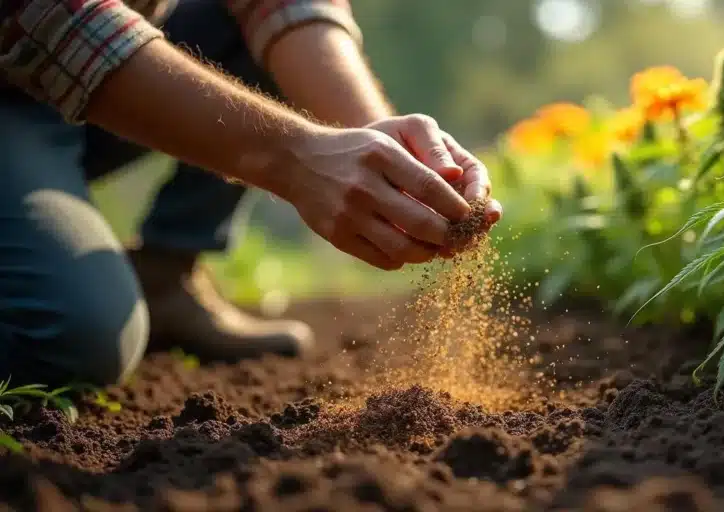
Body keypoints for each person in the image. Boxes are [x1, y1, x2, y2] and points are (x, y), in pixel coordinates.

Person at [0, 0, 502, 388]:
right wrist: (295, 157)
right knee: (71, 334)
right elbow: (45, 15)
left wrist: (378, 143)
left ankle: (165, 273)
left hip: (91, 62)